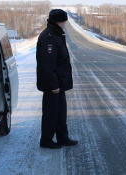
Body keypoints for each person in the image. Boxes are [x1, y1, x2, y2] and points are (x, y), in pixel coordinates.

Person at [36, 9, 78, 149]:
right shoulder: (49, 36)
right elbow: (47, 64)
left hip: (59, 83)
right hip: (52, 84)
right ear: (57, 21)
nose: (65, 24)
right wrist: (53, 85)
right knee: (50, 114)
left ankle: (63, 138)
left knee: (60, 113)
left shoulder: (56, 34)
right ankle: (46, 140)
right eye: (63, 21)